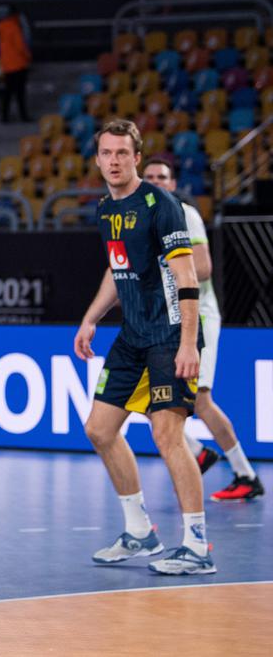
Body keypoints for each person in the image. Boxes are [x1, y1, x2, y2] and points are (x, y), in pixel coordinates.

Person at [74, 118, 214, 575]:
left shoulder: (161, 204)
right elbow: (118, 270)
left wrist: (189, 344)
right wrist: (91, 318)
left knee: (167, 435)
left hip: (172, 335)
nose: (114, 161)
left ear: (137, 157)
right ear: (98, 160)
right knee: (99, 429)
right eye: (106, 154)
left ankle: (197, 547)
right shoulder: (105, 209)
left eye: (122, 153)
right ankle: (140, 532)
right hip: (133, 335)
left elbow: (187, 277)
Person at [141, 158, 264, 501]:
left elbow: (205, 268)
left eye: (161, 177)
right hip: (168, 320)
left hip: (201, 317)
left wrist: (164, 268)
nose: (155, 182)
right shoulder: (146, 221)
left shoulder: (184, 214)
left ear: (172, 182)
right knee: (149, 397)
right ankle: (198, 452)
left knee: (202, 400)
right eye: (149, 177)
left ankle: (245, 474)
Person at [0, 4, 32, 123]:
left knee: (8, 92)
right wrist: (28, 56)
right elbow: (20, 47)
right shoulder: (14, 27)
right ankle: (23, 116)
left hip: (7, 65)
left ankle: (4, 116)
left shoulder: (2, 27)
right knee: (20, 93)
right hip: (18, 64)